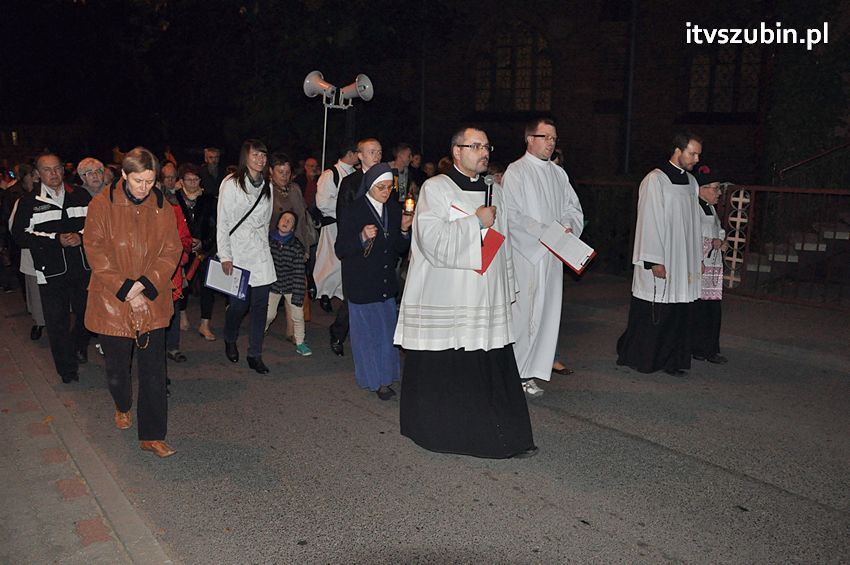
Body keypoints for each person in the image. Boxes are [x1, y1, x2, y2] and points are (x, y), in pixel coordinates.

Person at [395, 127, 537, 458]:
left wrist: (507, 284)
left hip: (485, 295)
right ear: (457, 151)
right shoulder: (437, 188)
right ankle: (444, 432)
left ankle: (500, 434)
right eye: (476, 146)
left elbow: (505, 245)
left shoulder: (495, 191)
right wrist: (474, 222)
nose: (484, 152)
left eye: (487, 146)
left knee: (488, 363)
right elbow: (431, 240)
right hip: (450, 295)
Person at [83, 147, 182, 458]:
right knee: (117, 370)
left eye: (150, 181)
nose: (145, 187)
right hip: (113, 301)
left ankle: (152, 435)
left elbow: (171, 250)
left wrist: (146, 285)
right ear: (124, 175)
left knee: (153, 371)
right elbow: (95, 251)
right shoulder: (102, 204)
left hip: (152, 299)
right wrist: (127, 290)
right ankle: (122, 404)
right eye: (139, 181)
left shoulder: (162, 205)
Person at [502, 118, 584, 398]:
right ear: (529, 139)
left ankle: (532, 370)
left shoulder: (558, 175)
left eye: (554, 138)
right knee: (523, 315)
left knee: (546, 314)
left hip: (553, 255)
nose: (551, 142)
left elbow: (573, 208)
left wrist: (568, 227)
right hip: (528, 255)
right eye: (545, 136)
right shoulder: (517, 171)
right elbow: (511, 215)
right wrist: (546, 233)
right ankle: (514, 371)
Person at [616, 132, 704, 376]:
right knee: (656, 311)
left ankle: (672, 361)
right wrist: (654, 260)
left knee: (678, 312)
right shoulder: (656, 180)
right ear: (678, 150)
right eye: (692, 153)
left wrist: (698, 259)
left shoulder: (692, 183)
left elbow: (695, 224)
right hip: (662, 256)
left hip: (683, 259)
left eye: (698, 154)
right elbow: (649, 220)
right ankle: (643, 358)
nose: (696, 159)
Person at [11, 153, 92, 384]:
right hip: (51, 271)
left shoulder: (80, 195)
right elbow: (19, 235)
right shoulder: (28, 202)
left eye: (57, 168)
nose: (54, 173)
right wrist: (55, 239)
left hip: (82, 268)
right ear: (38, 173)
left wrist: (81, 237)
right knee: (56, 322)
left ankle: (78, 345)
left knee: (88, 314)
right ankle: (67, 370)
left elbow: (98, 226)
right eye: (48, 169)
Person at [336, 163, 411, 399]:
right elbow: (341, 249)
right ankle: (373, 381)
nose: (386, 191)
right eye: (381, 187)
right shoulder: (354, 210)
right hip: (361, 282)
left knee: (387, 333)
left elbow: (399, 248)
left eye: (390, 187)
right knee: (366, 337)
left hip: (385, 283)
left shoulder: (393, 209)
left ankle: (386, 379)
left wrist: (405, 231)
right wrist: (361, 237)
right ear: (369, 185)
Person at [217, 139, 276, 374]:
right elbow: (223, 222)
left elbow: (266, 222)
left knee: (261, 306)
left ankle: (255, 354)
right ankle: (230, 338)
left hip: (260, 254)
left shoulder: (267, 185)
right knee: (239, 306)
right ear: (245, 157)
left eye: (263, 155)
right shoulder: (231, 183)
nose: (260, 159)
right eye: (255, 155)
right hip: (237, 251)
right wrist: (225, 255)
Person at [327, 138, 383, 356]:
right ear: (360, 155)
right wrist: (352, 243)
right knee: (353, 297)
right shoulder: (351, 182)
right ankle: (338, 332)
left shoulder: (386, 179)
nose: (376, 156)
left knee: (376, 295)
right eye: (371, 152)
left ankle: (371, 339)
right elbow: (343, 216)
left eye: (379, 152)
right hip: (356, 245)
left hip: (379, 245)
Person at [313, 142, 359, 313]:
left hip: (349, 224)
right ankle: (324, 293)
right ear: (350, 153)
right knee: (329, 260)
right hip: (333, 223)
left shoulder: (355, 173)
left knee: (343, 261)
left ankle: (340, 292)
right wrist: (345, 208)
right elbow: (322, 203)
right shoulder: (330, 174)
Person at [175, 162, 218, 341]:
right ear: (181, 181)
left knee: (208, 286)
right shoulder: (174, 198)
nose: (193, 183)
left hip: (204, 251)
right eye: (189, 179)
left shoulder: (208, 199)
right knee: (183, 285)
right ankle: (182, 315)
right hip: (181, 250)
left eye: (196, 179)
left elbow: (215, 226)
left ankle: (205, 324)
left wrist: (204, 243)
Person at [691, 164, 728, 364]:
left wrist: (721, 241)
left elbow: (718, 230)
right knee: (699, 309)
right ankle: (697, 347)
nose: (719, 193)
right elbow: (690, 236)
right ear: (702, 189)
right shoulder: (693, 207)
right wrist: (707, 246)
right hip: (700, 265)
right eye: (715, 188)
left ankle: (710, 348)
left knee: (712, 308)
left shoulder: (711, 208)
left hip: (713, 267)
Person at [266, 210, 311, 356]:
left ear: (293, 228)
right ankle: (261, 330)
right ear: (277, 222)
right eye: (283, 219)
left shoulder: (296, 247)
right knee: (269, 315)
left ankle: (300, 342)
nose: (285, 221)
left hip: (291, 285)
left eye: (290, 221)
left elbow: (298, 273)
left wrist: (298, 297)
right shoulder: (267, 241)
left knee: (297, 315)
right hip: (273, 284)